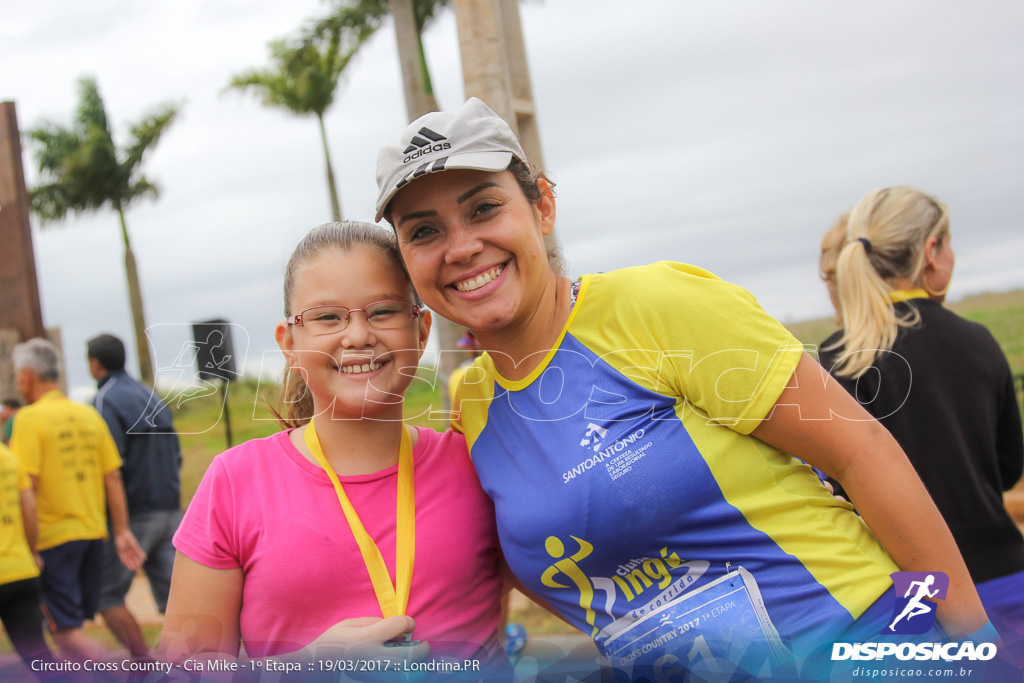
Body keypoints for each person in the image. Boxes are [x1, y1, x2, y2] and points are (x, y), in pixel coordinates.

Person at [373, 98, 992, 680]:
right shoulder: (473, 404)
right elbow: (525, 565)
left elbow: (863, 454)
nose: (461, 247)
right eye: (424, 232)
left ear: (543, 207)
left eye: (483, 208)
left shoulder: (655, 305)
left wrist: (963, 645)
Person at [161, 222, 506, 674]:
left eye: (382, 311)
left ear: (421, 331)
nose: (358, 335)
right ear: (289, 343)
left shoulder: (479, 464)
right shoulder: (236, 482)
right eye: (327, 317)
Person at [818, 187, 1024, 668]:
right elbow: (1010, 464)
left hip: (909, 596)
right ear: (931, 253)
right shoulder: (977, 341)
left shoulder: (833, 362)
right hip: (1003, 575)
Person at [9, 338, 145, 662]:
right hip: (92, 536)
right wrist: (122, 530)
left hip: (53, 539)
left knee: (66, 633)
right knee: (73, 627)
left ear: (26, 376)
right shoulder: (88, 415)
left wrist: (24, 544)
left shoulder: (28, 420)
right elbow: (112, 476)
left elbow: (25, 488)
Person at [86, 333, 183, 660]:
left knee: (106, 596)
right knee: (180, 599)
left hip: (134, 516)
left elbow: (108, 465)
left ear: (94, 364)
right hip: (170, 509)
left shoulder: (104, 401)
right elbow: (177, 455)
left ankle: (143, 666)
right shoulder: (151, 395)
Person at [0, 440, 58, 675]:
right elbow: (29, 510)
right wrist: (31, 552)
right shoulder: (8, 456)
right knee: (40, 659)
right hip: (20, 569)